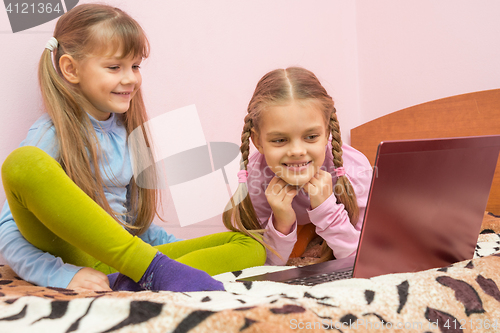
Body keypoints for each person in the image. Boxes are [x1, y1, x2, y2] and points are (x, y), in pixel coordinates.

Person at [0, 4, 265, 293]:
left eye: (135, 66)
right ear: (70, 69)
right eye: (115, 67)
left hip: (125, 261)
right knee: (22, 163)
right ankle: (152, 270)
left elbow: (133, 225)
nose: (131, 78)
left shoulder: (127, 133)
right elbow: (9, 231)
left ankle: (142, 274)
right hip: (77, 257)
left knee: (251, 245)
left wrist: (171, 254)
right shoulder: (52, 134)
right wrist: (60, 274)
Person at [223, 67, 373, 266]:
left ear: (328, 132)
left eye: (311, 137)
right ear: (258, 141)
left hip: (341, 237)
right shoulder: (256, 176)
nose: (297, 151)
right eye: (279, 140)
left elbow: (366, 260)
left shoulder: (354, 169)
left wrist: (327, 209)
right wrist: (281, 223)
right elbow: (262, 266)